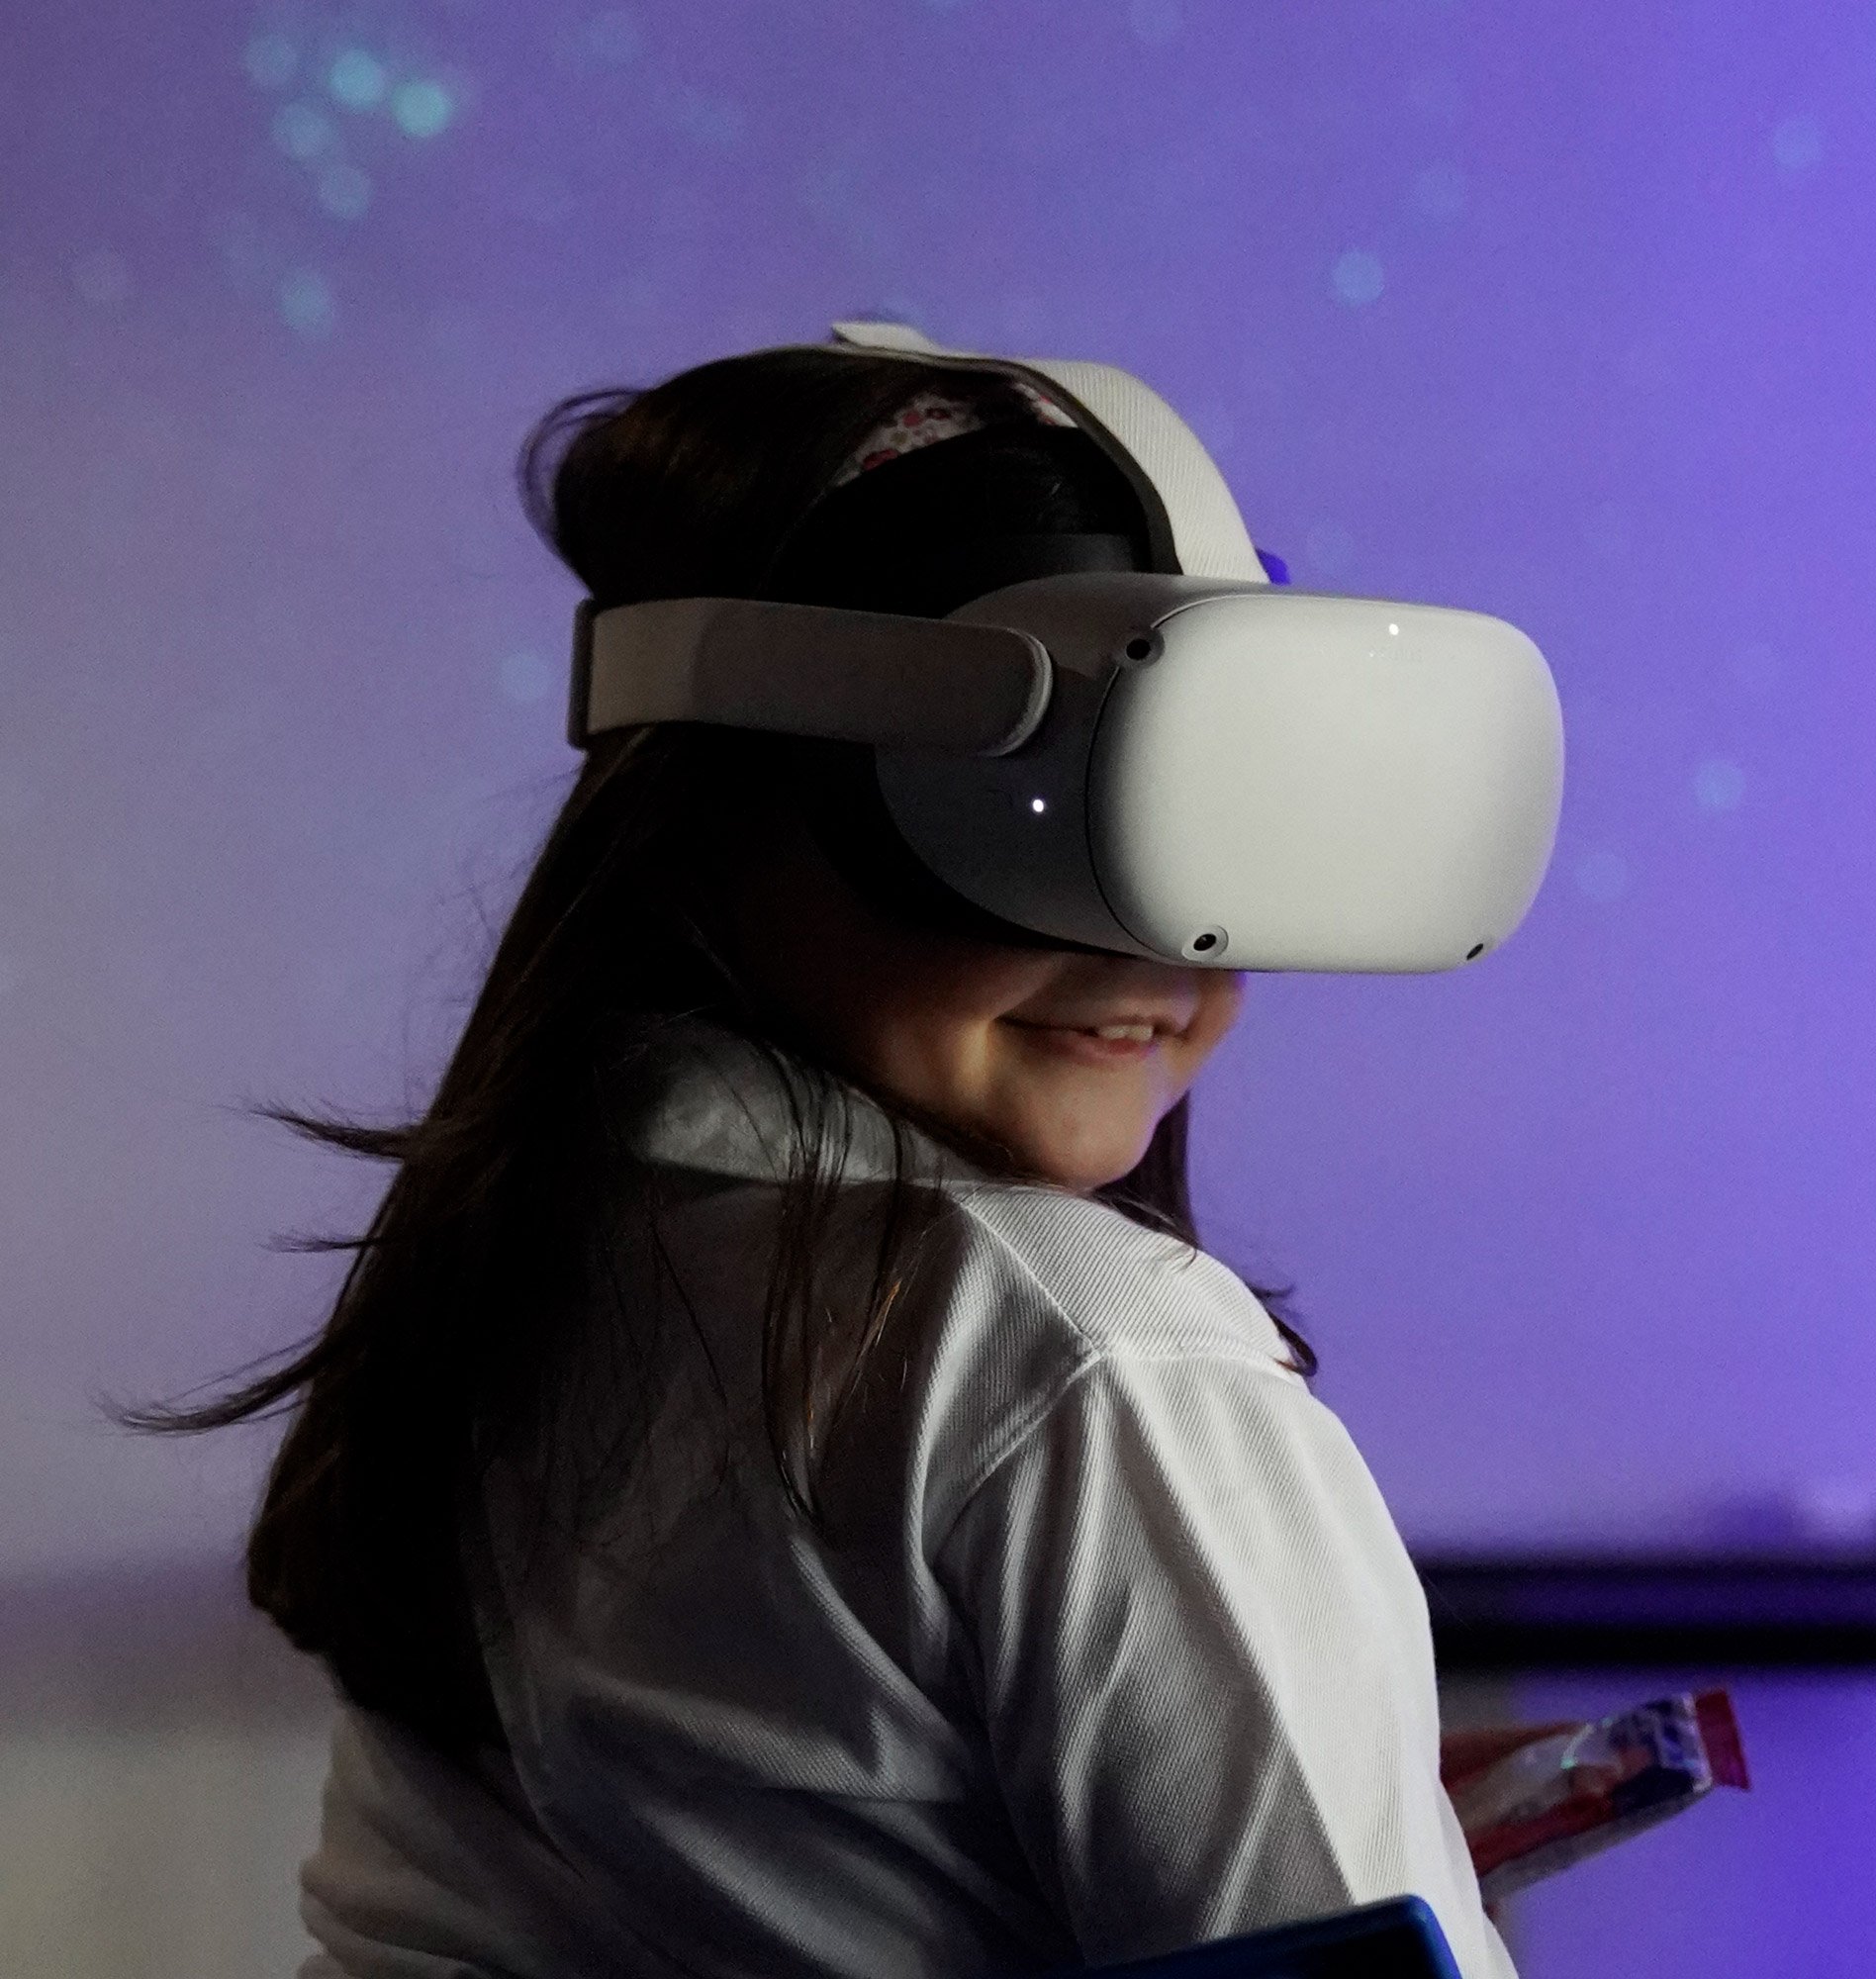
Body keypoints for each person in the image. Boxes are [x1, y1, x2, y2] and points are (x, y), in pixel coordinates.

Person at [141, 340, 1517, 1977]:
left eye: (1202, 823)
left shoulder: (543, 1242)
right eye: (1014, 814)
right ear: (719, 810)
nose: (1152, 944)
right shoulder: (1089, 1357)